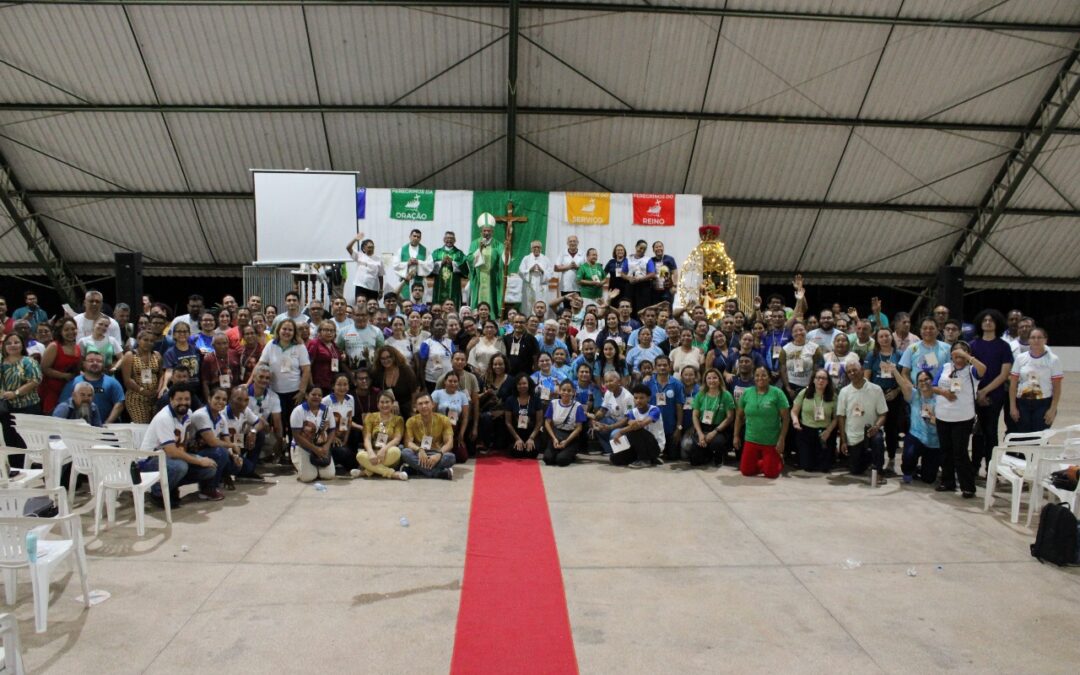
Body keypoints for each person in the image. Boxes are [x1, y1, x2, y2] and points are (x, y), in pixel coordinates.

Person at [933, 342, 986, 498]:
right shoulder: (945, 368)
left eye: (962, 354)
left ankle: (967, 486)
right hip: (943, 416)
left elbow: (983, 370)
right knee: (946, 451)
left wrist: (968, 357)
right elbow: (934, 385)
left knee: (960, 452)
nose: (958, 358)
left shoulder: (971, 371)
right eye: (956, 354)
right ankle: (947, 481)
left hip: (962, 418)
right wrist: (944, 393)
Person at [969, 309, 1013, 474]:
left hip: (995, 396)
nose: (988, 322)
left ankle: (991, 468)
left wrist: (985, 391)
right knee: (977, 432)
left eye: (991, 320)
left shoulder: (1003, 346)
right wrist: (977, 393)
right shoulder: (973, 345)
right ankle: (974, 467)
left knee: (990, 431)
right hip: (974, 395)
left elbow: (1004, 374)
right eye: (985, 320)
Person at [836, 362, 888, 485]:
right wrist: (843, 441)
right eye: (849, 371)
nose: (852, 373)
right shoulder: (844, 392)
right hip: (853, 437)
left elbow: (883, 414)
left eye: (855, 370)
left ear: (862, 370)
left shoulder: (876, 389)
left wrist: (876, 427)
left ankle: (879, 471)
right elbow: (841, 417)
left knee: (878, 440)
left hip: (871, 433)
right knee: (855, 470)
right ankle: (868, 460)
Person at [735, 366, 789, 479]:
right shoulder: (747, 393)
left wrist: (782, 439)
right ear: (753, 377)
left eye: (764, 375)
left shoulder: (777, 393)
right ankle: (766, 461)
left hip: (770, 441)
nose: (760, 378)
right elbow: (739, 417)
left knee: (771, 474)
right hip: (751, 439)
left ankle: (778, 459)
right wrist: (736, 436)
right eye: (757, 375)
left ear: (769, 378)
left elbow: (786, 418)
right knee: (746, 471)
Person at [1008, 327, 1063, 434]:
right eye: (1033, 337)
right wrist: (1013, 407)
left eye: (1039, 337)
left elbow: (1057, 387)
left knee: (1040, 437)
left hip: (1043, 404)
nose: (1036, 340)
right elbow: (1013, 384)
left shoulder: (1053, 360)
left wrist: (1052, 409)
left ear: (1045, 340)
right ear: (1029, 340)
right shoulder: (1020, 358)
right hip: (1022, 404)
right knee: (1023, 436)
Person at [189, 388, 244, 491]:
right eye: (217, 398)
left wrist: (234, 455)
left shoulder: (221, 418)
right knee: (221, 452)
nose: (221, 402)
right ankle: (209, 488)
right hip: (192, 452)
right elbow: (212, 442)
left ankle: (221, 478)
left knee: (236, 464)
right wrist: (232, 445)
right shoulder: (201, 415)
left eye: (224, 399)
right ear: (209, 399)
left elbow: (227, 442)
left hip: (208, 450)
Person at [863, 327, 902, 471]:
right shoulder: (872, 355)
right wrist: (872, 395)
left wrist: (897, 391)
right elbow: (866, 378)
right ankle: (874, 458)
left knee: (892, 429)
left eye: (887, 336)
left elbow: (904, 378)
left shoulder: (899, 355)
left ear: (891, 337)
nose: (884, 339)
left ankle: (891, 458)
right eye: (881, 337)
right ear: (877, 340)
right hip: (875, 396)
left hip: (893, 395)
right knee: (875, 427)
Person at [897, 370, 941, 484]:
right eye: (920, 381)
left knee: (929, 479)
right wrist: (894, 371)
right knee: (909, 455)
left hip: (934, 441)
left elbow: (945, 422)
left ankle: (922, 469)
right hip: (916, 435)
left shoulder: (940, 398)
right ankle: (908, 470)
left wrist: (932, 420)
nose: (924, 382)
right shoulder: (914, 395)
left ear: (932, 381)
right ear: (916, 384)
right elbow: (902, 383)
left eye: (926, 379)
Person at [352, 391, 408, 480]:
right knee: (360, 455)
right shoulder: (370, 417)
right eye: (382, 402)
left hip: (388, 454)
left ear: (392, 404)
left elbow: (397, 439)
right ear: (377, 404)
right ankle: (392, 474)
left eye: (387, 402)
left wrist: (383, 450)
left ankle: (367, 471)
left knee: (396, 451)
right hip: (372, 453)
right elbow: (367, 438)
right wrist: (370, 452)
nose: (384, 405)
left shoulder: (398, 419)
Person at [685, 368, 735, 466]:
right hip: (702, 427)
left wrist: (714, 432)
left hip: (719, 429)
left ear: (719, 379)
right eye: (709, 378)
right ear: (705, 380)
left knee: (716, 444)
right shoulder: (700, 394)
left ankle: (719, 455)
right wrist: (700, 434)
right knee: (694, 461)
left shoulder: (726, 395)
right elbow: (695, 416)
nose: (712, 380)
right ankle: (707, 453)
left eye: (715, 378)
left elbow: (730, 417)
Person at [0, 333, 43, 448]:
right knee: (11, 443)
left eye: (16, 342)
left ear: (22, 345)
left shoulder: (28, 362)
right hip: (7, 409)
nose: (12, 345)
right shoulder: (1, 362)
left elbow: (35, 381)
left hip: (28, 408)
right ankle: (14, 466)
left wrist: (15, 393)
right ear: (4, 346)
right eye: (9, 343)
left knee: (27, 444)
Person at [58, 352, 126, 424]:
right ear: (84, 364)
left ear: (103, 365)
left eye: (99, 361)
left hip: (105, 427)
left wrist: (108, 422)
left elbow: (119, 404)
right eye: (91, 361)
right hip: (77, 427)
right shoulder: (73, 383)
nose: (95, 363)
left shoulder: (113, 383)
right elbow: (64, 403)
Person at [791, 369, 837, 472]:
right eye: (818, 378)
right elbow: (794, 411)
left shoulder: (833, 396)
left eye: (824, 378)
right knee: (807, 466)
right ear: (813, 380)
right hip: (806, 431)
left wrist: (828, 431)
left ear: (828, 381)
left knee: (824, 467)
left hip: (824, 433)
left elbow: (836, 418)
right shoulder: (804, 393)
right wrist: (795, 421)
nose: (821, 381)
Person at [402, 393, 456, 479]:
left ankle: (417, 470)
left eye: (427, 402)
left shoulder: (443, 419)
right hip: (419, 454)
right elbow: (408, 443)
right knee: (405, 452)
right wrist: (419, 449)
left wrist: (439, 454)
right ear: (415, 407)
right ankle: (437, 473)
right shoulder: (411, 421)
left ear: (433, 404)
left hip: (437, 453)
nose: (424, 406)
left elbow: (450, 443)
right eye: (420, 404)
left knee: (451, 457)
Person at [608, 384, 663, 468]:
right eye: (636, 398)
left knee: (637, 430)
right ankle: (650, 459)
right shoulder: (632, 412)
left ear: (648, 398)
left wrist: (621, 431)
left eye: (641, 398)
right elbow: (631, 423)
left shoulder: (655, 410)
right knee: (615, 458)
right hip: (638, 447)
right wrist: (630, 424)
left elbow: (640, 425)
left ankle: (645, 460)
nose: (638, 401)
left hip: (654, 446)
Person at [289, 386, 337, 483]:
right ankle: (302, 465)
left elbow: (332, 430)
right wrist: (315, 449)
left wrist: (327, 446)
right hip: (303, 447)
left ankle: (313, 467)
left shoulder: (328, 410)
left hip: (321, 447)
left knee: (328, 475)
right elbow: (297, 436)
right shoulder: (298, 411)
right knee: (308, 477)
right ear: (307, 395)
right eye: (313, 394)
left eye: (319, 395)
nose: (317, 397)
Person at [222, 385, 268, 481]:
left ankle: (247, 472)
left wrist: (253, 431)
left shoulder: (245, 410)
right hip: (226, 449)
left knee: (260, 434)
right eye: (239, 399)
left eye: (246, 400)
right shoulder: (222, 414)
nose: (243, 403)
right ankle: (224, 473)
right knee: (246, 467)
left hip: (237, 444)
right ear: (231, 399)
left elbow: (260, 423)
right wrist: (233, 453)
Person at [647, 355, 686, 461]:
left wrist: (678, 428)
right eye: (659, 365)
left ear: (670, 367)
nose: (662, 367)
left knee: (673, 457)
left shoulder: (677, 384)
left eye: (665, 365)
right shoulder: (648, 383)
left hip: (670, 428)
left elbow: (679, 407)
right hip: (652, 428)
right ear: (655, 367)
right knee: (651, 456)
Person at [120, 330, 163, 423]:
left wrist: (158, 390)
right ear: (138, 340)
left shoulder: (157, 355)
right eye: (145, 340)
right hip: (136, 397)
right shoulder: (130, 355)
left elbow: (161, 375)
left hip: (154, 397)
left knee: (154, 425)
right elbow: (127, 380)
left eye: (151, 341)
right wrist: (143, 391)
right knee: (141, 425)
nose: (149, 343)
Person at [543, 380, 587, 466]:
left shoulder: (578, 406)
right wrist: (554, 438)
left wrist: (566, 442)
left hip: (570, 437)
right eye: (563, 390)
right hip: (556, 435)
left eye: (569, 390)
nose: (566, 393)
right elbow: (547, 423)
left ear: (573, 392)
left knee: (561, 460)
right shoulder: (553, 403)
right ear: (559, 391)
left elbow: (579, 428)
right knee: (548, 459)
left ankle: (571, 453)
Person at [370, 346, 418, 421]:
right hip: (387, 407)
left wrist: (413, 409)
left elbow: (414, 391)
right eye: (383, 358)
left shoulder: (405, 370)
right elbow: (375, 390)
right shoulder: (379, 372)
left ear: (394, 357)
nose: (386, 360)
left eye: (388, 357)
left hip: (407, 407)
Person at [591, 370, 634, 455]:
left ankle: (621, 454)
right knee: (598, 427)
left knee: (614, 434)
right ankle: (609, 451)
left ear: (619, 381)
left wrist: (610, 427)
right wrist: (594, 419)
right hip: (613, 421)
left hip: (626, 425)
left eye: (611, 381)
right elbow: (603, 410)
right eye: (606, 381)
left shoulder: (628, 397)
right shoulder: (608, 393)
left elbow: (627, 419)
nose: (608, 384)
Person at [468, 223, 505, 318]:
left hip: (492, 277)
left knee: (492, 296)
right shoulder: (475, 243)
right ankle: (476, 316)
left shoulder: (498, 244)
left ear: (492, 232)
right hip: (479, 277)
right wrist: (479, 249)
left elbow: (504, 259)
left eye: (489, 231)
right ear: (481, 232)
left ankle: (492, 315)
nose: (486, 233)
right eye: (484, 231)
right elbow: (470, 258)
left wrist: (507, 250)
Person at [432, 371, 470, 462]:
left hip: (455, 428)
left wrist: (461, 434)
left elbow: (465, 418)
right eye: (450, 381)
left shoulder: (462, 396)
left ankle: (446, 451)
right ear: (445, 382)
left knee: (462, 457)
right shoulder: (437, 393)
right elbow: (431, 413)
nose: (453, 383)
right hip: (438, 427)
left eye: (455, 381)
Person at [899, 317, 951, 384]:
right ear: (920, 330)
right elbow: (904, 373)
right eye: (925, 328)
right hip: (917, 391)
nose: (928, 331)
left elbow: (952, 371)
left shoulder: (947, 348)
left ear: (938, 331)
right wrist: (912, 389)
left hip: (940, 392)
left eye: (931, 328)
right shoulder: (912, 348)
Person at [504, 374, 542, 459]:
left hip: (532, 433)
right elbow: (508, 422)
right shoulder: (510, 400)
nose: (522, 386)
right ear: (516, 385)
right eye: (519, 384)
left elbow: (539, 422)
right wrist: (517, 438)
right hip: (516, 433)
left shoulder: (536, 399)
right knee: (517, 453)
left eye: (524, 383)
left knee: (531, 453)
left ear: (529, 384)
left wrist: (531, 438)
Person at [338, 304, 385, 371]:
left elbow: (381, 352)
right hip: (351, 371)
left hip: (372, 371)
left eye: (363, 315)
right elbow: (338, 351)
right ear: (352, 316)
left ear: (368, 316)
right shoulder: (343, 331)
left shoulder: (377, 331)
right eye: (357, 315)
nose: (360, 318)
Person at [162, 322, 203, 394]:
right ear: (174, 334)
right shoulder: (170, 353)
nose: (182, 333)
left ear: (189, 333)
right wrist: (164, 385)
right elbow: (169, 371)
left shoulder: (195, 349)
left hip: (197, 390)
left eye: (185, 331)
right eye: (179, 331)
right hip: (180, 390)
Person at [430, 231, 468, 306]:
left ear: (455, 240)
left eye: (451, 238)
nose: (449, 240)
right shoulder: (437, 252)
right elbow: (429, 266)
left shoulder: (459, 253)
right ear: (444, 239)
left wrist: (453, 263)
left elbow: (465, 267)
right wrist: (440, 263)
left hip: (454, 286)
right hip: (439, 284)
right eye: (447, 238)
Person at [345, 233, 384, 301]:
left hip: (373, 288)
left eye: (372, 247)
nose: (371, 249)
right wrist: (355, 239)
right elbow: (348, 248)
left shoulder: (379, 259)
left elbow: (380, 276)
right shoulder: (359, 255)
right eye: (369, 247)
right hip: (361, 286)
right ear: (364, 248)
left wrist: (381, 290)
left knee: (372, 306)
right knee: (360, 305)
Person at [200, 333, 237, 403]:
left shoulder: (234, 354)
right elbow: (205, 383)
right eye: (218, 344)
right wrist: (209, 400)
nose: (222, 346)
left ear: (228, 344)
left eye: (224, 343)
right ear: (213, 345)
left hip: (233, 395)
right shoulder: (208, 359)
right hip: (217, 397)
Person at [519, 240, 553, 312]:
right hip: (529, 285)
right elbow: (521, 271)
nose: (536, 249)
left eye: (538, 247)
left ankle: (541, 319)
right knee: (528, 305)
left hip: (541, 286)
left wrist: (542, 271)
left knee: (541, 302)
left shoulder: (546, 259)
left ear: (541, 248)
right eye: (534, 247)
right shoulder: (526, 258)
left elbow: (550, 273)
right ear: (531, 248)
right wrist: (529, 270)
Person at [650, 240, 678, 305]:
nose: (658, 248)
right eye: (656, 247)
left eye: (660, 246)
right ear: (653, 250)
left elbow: (675, 273)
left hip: (667, 290)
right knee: (655, 309)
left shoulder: (669, 259)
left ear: (663, 248)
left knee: (667, 308)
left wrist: (674, 286)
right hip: (655, 290)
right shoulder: (651, 260)